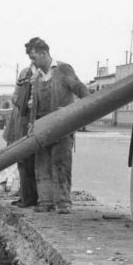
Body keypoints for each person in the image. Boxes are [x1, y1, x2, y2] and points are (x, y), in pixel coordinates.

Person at [25, 37, 89, 215]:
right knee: (42, 165)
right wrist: (32, 125)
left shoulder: (63, 70)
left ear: (44, 54)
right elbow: (34, 104)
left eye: (34, 58)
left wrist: (82, 110)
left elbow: (80, 89)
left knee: (61, 165)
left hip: (62, 128)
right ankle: (45, 201)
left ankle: (63, 203)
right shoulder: (36, 77)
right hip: (41, 129)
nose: (33, 62)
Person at [3, 64, 38, 208]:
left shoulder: (41, 74)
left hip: (32, 124)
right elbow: (16, 98)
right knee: (23, 163)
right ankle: (26, 197)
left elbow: (17, 98)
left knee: (32, 165)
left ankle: (31, 198)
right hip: (22, 124)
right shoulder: (25, 73)